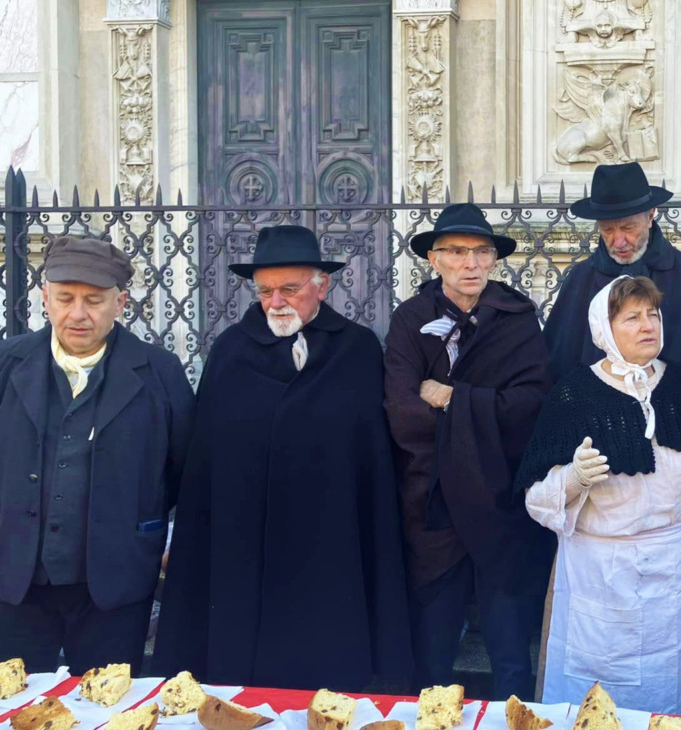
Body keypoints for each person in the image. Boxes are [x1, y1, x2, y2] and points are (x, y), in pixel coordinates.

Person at [154, 225, 411, 691]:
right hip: (243, 537)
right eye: (265, 291)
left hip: (331, 537)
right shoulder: (231, 350)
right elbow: (206, 455)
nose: (275, 302)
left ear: (322, 286)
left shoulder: (357, 349)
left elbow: (372, 453)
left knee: (325, 672)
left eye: (289, 289)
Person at [517, 276, 681, 713]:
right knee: (596, 701)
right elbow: (536, 499)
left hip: (680, 572)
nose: (647, 325)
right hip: (603, 575)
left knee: (674, 696)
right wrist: (574, 479)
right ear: (605, 329)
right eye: (632, 317)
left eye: (653, 315)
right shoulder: (574, 395)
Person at [542, 161, 681, 601]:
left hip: (674, 457)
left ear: (651, 216)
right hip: (602, 467)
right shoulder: (581, 280)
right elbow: (559, 369)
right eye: (608, 231)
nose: (619, 240)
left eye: (628, 227)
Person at [0, 237, 194, 673]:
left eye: (93, 300)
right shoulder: (7, 363)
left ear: (120, 302)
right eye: (65, 298)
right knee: (13, 705)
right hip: (14, 581)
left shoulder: (159, 372)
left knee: (110, 703)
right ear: (45, 297)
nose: (77, 314)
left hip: (116, 584)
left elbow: (182, 470)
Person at [385, 203, 553, 700]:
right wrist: (480, 412)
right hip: (433, 505)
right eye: (457, 252)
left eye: (481, 252)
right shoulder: (410, 320)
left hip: (499, 501)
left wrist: (452, 397)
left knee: (510, 655)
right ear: (434, 259)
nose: (471, 263)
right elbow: (402, 410)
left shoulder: (517, 319)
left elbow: (530, 406)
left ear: (494, 260)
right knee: (433, 653)